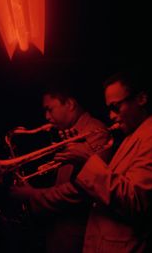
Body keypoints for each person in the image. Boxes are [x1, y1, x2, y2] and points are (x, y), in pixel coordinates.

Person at [57, 69, 152, 253]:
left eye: (116, 107)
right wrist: (81, 162)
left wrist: (88, 161)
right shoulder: (134, 134)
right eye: (109, 109)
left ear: (141, 99)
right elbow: (107, 189)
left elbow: (137, 202)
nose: (111, 116)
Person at [10, 80, 111, 253]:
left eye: (50, 109)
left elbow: (80, 192)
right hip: (61, 232)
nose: (47, 117)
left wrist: (32, 194)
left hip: (77, 237)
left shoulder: (95, 132)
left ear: (70, 104)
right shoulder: (69, 133)